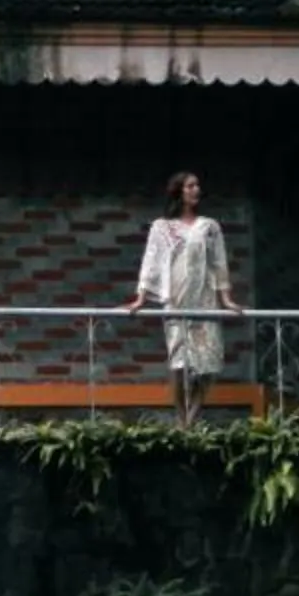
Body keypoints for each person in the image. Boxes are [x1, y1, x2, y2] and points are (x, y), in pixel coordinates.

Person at [121, 170, 241, 426]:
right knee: (179, 363)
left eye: (198, 185)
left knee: (208, 363)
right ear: (179, 191)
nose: (196, 190)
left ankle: (192, 419)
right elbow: (150, 262)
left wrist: (227, 299)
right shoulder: (161, 227)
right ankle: (180, 418)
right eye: (190, 186)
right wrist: (141, 297)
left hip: (205, 301)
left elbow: (219, 263)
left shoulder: (209, 226)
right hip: (175, 301)